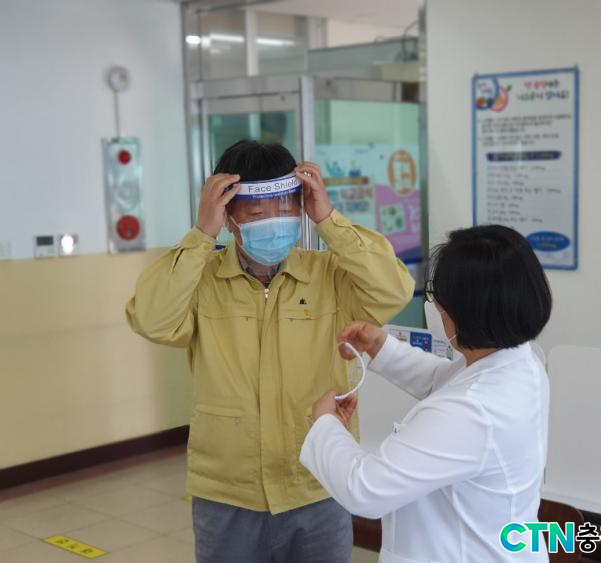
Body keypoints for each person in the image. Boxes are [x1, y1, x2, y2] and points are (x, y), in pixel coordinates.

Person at [125, 140, 414, 563]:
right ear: (228, 218)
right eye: (257, 213)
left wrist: (328, 220)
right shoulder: (201, 279)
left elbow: (395, 289)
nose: (275, 222)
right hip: (228, 492)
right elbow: (151, 319)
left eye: (285, 208)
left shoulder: (328, 275)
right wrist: (201, 235)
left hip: (317, 481)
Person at [300, 224, 553, 563]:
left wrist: (325, 424)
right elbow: (444, 380)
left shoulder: (472, 412)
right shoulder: (521, 362)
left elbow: (365, 490)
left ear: (463, 312)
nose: (436, 308)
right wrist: (380, 346)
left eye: (438, 300)